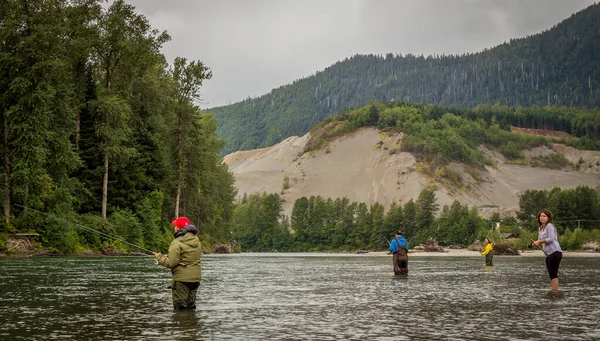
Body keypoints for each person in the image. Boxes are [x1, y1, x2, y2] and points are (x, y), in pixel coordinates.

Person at [153, 216, 202, 310]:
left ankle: (180, 324)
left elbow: (171, 263)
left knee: (180, 310)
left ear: (179, 228)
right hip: (196, 279)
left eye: (175, 226)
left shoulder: (176, 242)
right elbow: (189, 256)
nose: (174, 227)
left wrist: (159, 257)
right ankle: (191, 324)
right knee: (191, 308)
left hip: (182, 280)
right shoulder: (197, 241)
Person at [531, 209, 563, 296]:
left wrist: (540, 242)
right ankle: (554, 292)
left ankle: (554, 292)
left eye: (544, 216)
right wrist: (534, 244)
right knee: (551, 274)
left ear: (548, 218)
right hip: (548, 254)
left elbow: (551, 239)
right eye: (540, 216)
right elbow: (539, 240)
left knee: (553, 273)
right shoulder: (540, 228)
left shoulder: (550, 226)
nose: (542, 217)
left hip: (555, 252)